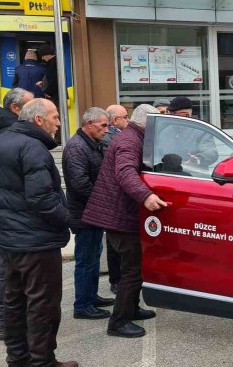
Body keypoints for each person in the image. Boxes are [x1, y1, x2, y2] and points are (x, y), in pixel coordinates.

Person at [0, 98, 78, 367]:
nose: (59, 123)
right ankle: (42, 361)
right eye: (55, 117)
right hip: (36, 241)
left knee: (15, 301)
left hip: (10, 237)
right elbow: (41, 199)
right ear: (38, 120)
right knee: (43, 305)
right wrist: (69, 219)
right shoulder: (33, 147)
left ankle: (18, 359)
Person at [82, 104, 164, 339]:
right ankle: (118, 321)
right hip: (119, 216)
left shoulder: (133, 137)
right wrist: (146, 195)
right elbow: (125, 172)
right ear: (146, 122)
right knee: (132, 271)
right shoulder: (129, 141)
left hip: (122, 214)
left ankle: (131, 308)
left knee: (135, 268)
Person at [0, 87, 33, 341]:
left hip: (1, 210)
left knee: (10, 268)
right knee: (7, 269)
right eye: (30, 105)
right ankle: (6, 322)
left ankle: (12, 320)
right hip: (3, 213)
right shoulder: (6, 134)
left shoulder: (1, 132)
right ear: (15, 108)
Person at [64, 107, 115, 321]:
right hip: (84, 214)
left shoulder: (93, 144)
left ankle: (91, 297)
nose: (107, 129)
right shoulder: (76, 147)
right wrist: (104, 198)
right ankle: (83, 305)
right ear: (89, 124)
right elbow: (80, 184)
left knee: (94, 256)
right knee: (86, 259)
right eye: (103, 125)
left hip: (93, 212)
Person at [101, 104, 128, 294]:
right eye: (125, 116)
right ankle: (116, 281)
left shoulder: (116, 135)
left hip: (117, 198)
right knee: (114, 245)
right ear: (115, 120)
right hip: (112, 198)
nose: (129, 119)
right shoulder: (110, 139)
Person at [159, 96, 218, 168]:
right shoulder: (165, 132)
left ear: (187, 114)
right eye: (171, 114)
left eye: (179, 115)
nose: (173, 117)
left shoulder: (201, 131)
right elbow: (157, 155)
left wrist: (198, 159)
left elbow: (211, 152)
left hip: (193, 175)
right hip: (168, 176)